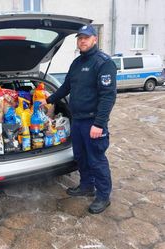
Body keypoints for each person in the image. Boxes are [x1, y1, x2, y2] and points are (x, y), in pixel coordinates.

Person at [40, 25, 117, 214]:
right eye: (80, 38)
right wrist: (48, 100)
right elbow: (66, 87)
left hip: (93, 122)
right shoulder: (76, 63)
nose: (82, 40)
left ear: (94, 39)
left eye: (86, 37)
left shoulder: (103, 63)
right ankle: (86, 186)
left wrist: (99, 123)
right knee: (80, 156)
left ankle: (103, 196)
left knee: (96, 159)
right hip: (78, 121)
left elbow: (108, 96)